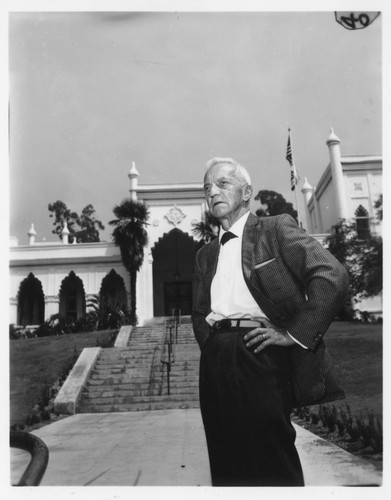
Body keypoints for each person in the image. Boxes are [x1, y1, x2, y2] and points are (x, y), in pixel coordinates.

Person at [192, 157, 349, 486]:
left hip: (260, 353)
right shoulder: (205, 255)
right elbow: (199, 313)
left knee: (271, 458)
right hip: (216, 360)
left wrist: (293, 334)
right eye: (208, 188)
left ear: (247, 192)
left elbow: (331, 275)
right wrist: (215, 347)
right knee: (226, 462)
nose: (213, 192)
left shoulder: (274, 229)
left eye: (222, 184)